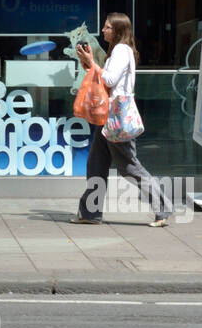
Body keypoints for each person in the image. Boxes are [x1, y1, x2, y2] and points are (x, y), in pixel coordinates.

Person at [73, 12, 174, 227]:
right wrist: (89, 63)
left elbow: (109, 79)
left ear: (117, 31)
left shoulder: (120, 50)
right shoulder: (119, 50)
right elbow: (106, 77)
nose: (103, 30)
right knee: (96, 165)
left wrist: (92, 62)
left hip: (115, 116)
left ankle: (163, 209)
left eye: (108, 27)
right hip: (110, 117)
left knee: (129, 166)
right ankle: (90, 214)